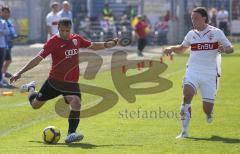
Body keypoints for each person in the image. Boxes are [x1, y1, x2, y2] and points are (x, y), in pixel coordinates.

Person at [10, 18, 119, 143]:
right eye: (62, 30)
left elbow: (92, 45)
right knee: (35, 105)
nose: (65, 33)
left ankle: (71, 134)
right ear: (58, 28)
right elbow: (37, 59)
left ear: (70, 28)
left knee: (76, 102)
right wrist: (19, 72)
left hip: (71, 83)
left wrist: (107, 44)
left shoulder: (76, 39)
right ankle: (31, 88)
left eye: (67, 30)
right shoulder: (53, 42)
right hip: (54, 81)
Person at [163, 7, 234, 138]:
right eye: (192, 19)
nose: (193, 21)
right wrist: (171, 48)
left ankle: (209, 114)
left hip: (209, 73)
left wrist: (225, 49)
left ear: (204, 18)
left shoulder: (216, 32)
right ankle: (184, 132)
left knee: (207, 109)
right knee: (187, 95)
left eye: (196, 18)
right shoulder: (191, 34)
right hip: (193, 70)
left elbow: (231, 48)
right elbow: (182, 49)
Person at [1, 6, 18, 78]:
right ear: (1, 12)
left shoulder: (9, 21)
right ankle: (2, 74)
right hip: (2, 44)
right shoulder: (1, 21)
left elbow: (12, 32)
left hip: (8, 44)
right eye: (5, 12)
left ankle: (3, 73)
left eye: (8, 12)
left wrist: (15, 37)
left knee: (8, 60)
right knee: (5, 60)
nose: (7, 14)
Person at [0, 8, 9, 87]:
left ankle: (0, 80)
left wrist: (0, 31)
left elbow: (7, 32)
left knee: (0, 64)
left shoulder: (3, 22)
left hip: (2, 46)